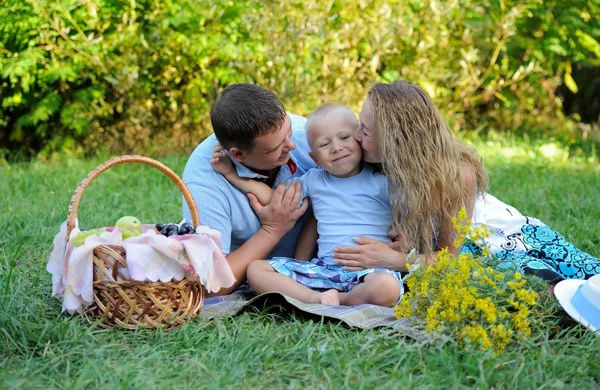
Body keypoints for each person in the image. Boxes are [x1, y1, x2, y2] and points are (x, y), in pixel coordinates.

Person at [333, 80, 600, 284]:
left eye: (365, 131)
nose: (355, 136)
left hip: (507, 238)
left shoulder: (456, 175)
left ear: (397, 142)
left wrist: (397, 260)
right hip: (452, 256)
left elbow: (450, 257)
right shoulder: (377, 168)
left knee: (577, 279)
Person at [210, 103, 402, 306]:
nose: (336, 148)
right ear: (315, 158)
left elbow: (413, 214)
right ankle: (315, 298)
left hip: (371, 269)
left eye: (345, 138)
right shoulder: (314, 180)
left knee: (387, 287)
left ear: (359, 139)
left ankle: (342, 299)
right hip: (325, 270)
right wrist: (232, 175)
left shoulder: (383, 180)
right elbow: (277, 199)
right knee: (256, 270)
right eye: (324, 145)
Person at [182, 84, 316, 295]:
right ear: (238, 155)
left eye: (288, 131)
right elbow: (210, 287)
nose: (291, 146)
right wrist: (272, 230)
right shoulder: (205, 182)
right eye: (276, 148)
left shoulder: (307, 135)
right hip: (257, 275)